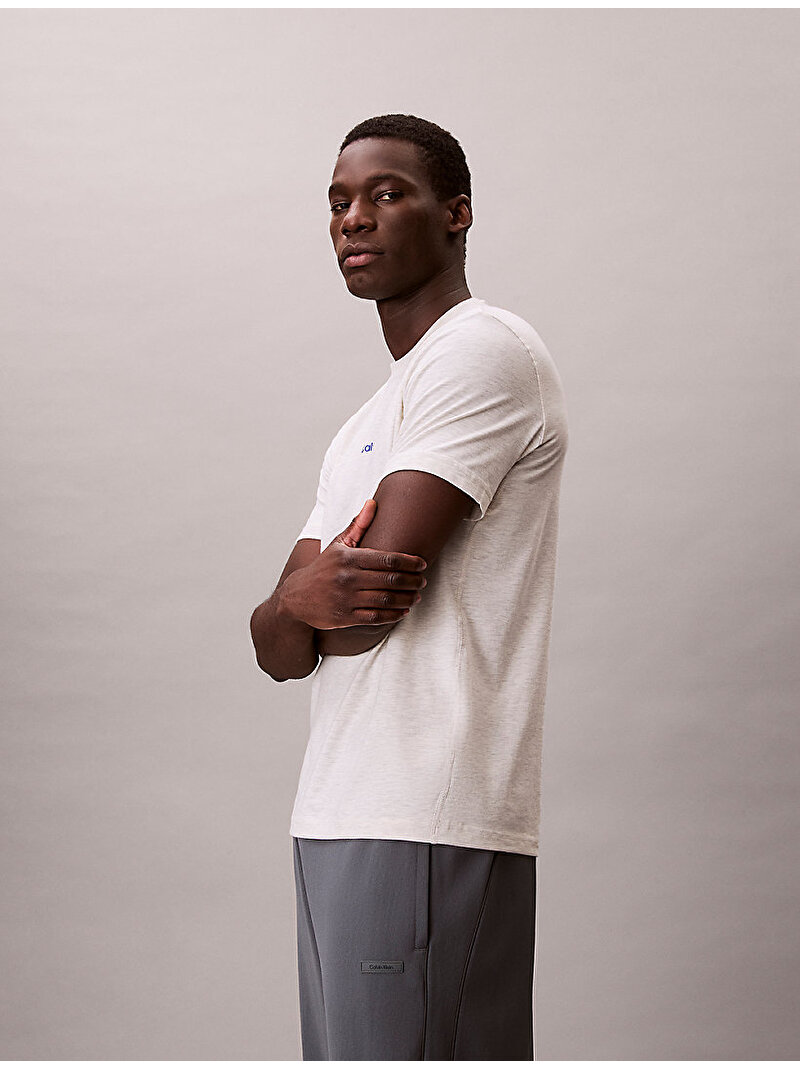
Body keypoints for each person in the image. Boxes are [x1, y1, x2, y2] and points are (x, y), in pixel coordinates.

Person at [249, 113, 569, 1060]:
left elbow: (357, 623)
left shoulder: (484, 351)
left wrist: (308, 599)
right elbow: (278, 649)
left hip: (426, 809)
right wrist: (295, 602)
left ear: (456, 213)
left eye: (387, 194)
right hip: (338, 809)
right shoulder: (368, 421)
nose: (354, 218)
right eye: (339, 201)